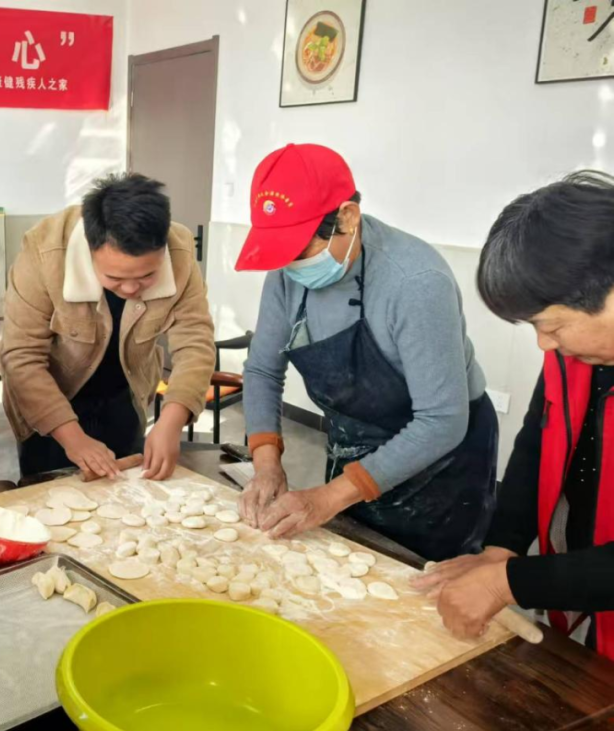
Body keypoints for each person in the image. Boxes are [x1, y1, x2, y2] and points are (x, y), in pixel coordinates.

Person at [236, 144, 497, 561]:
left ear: (347, 218)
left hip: (441, 462)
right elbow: (264, 370)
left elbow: (442, 419)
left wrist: (327, 497)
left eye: (299, 251)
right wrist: (266, 464)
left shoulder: (414, 281)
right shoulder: (287, 275)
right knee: (348, 557)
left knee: (419, 583)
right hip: (355, 440)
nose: (290, 267)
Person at [414, 171, 614, 656]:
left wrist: (509, 584)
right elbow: (536, 441)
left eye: (552, 326)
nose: (545, 344)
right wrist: (501, 550)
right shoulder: (576, 357)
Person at [0, 173, 216, 480]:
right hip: (50, 401)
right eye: (114, 278)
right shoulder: (44, 252)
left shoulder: (179, 252)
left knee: (125, 493)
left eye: (146, 277)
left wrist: (172, 419)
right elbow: (22, 356)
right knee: (52, 496)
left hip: (126, 397)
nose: (130, 289)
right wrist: (72, 438)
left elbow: (195, 341)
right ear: (90, 249)